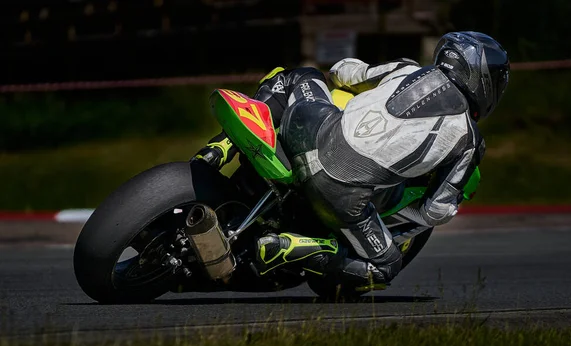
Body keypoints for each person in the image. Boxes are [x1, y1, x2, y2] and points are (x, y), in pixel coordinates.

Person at [194, 31, 510, 293]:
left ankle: (222, 147)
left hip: (308, 128)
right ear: (481, 80)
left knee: (299, 76)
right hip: (340, 194)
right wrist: (408, 213)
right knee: (385, 266)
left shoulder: (406, 68)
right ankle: (292, 246)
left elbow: (343, 72)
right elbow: (436, 211)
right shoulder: (469, 140)